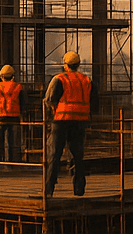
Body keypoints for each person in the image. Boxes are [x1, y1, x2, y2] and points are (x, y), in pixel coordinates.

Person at [44, 50, 97, 197]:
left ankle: (49, 190)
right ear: (79, 65)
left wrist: (52, 113)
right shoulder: (87, 80)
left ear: (65, 65)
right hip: (80, 121)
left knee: (54, 154)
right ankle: (79, 189)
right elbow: (94, 102)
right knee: (77, 155)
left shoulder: (59, 79)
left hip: (61, 120)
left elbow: (49, 99)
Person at [0, 64, 27, 163]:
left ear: (1, 76)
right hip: (14, 117)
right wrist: (23, 115)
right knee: (13, 143)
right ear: (13, 76)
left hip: (0, 117)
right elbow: (23, 103)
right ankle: (14, 162)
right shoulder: (18, 87)